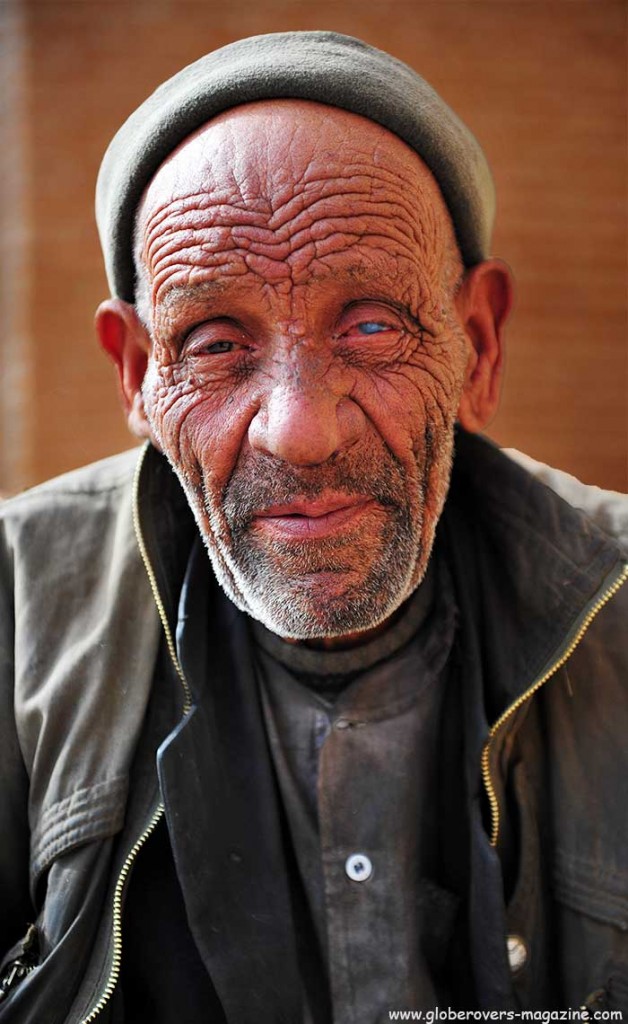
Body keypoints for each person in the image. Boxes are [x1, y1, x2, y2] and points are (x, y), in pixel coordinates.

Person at [0, 30, 626, 1024]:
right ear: (135, 374)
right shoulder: (11, 610)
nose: (300, 431)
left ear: (477, 342)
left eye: (372, 325)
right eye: (214, 342)